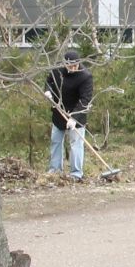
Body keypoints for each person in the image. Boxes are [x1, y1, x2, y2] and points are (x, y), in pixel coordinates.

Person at [45, 46, 93, 181]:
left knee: (76, 144)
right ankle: (55, 170)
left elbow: (85, 99)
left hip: (77, 115)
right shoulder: (57, 71)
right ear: (65, 64)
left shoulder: (85, 76)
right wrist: (48, 91)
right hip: (59, 112)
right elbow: (49, 81)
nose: (73, 68)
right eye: (70, 66)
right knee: (56, 141)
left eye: (75, 65)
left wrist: (74, 118)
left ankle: (76, 173)